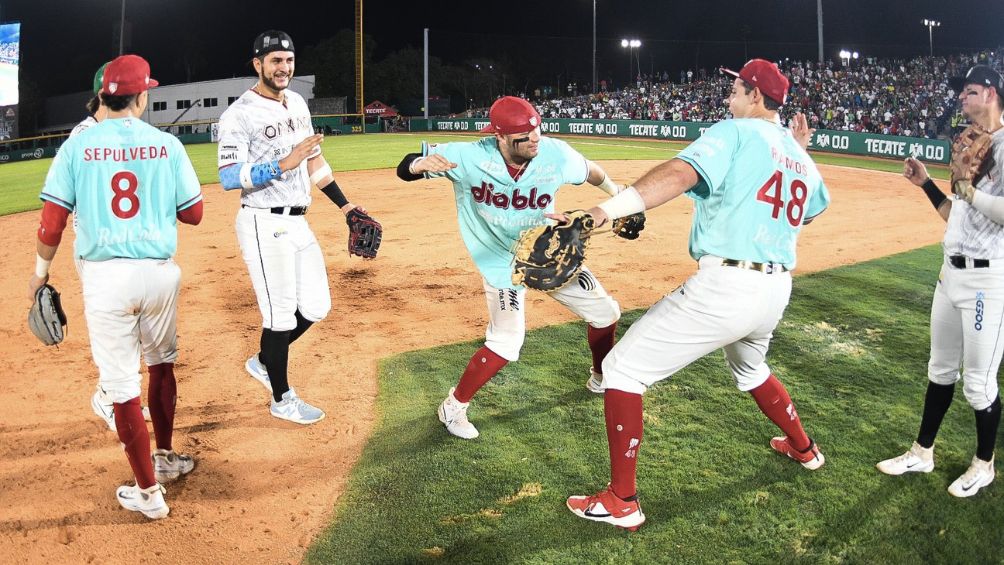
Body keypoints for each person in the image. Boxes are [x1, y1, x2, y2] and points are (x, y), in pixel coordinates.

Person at [563, 59, 829, 530]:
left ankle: (622, 500)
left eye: (737, 89)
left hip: (728, 285)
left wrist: (607, 210)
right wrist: (796, 152)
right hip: (775, 288)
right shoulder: (799, 154)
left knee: (622, 369)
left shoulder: (736, 131)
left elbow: (678, 174)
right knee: (751, 369)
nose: (729, 97)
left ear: (756, 98)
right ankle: (805, 450)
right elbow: (806, 214)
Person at [30, 54, 203, 519]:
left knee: (122, 389)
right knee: (161, 365)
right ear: (142, 96)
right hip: (159, 271)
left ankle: (149, 495)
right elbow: (193, 213)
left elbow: (52, 223)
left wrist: (40, 275)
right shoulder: (166, 144)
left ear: (103, 96)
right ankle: (165, 459)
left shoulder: (77, 144)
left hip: (105, 275)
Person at [396, 96, 624, 439]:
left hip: (545, 250)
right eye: (524, 136)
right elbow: (406, 166)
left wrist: (616, 192)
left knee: (606, 313)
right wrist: (418, 166)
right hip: (499, 260)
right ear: (499, 136)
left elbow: (591, 171)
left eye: (537, 131)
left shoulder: (554, 153)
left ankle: (600, 376)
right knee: (506, 342)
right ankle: (453, 407)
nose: (535, 140)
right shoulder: (469, 157)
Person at [218, 30, 375, 425]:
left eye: (288, 60)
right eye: (275, 61)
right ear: (258, 65)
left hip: (298, 222)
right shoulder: (239, 114)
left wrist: (346, 206)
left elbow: (314, 162)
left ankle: (263, 360)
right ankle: (281, 397)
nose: (284, 68)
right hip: (261, 220)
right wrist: (282, 163)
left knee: (318, 307)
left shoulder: (298, 104)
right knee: (280, 315)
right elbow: (229, 176)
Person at [877, 64, 1004, 498]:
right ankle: (922, 452)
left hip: (988, 281)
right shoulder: (970, 144)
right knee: (939, 370)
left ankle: (984, 464)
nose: (961, 100)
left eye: (968, 92)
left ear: (990, 93)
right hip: (950, 274)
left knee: (978, 384)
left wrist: (969, 191)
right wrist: (928, 185)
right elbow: (957, 216)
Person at [72, 60, 154, 431]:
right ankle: (109, 396)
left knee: (135, 324)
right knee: (117, 327)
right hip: (101, 250)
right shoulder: (84, 136)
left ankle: (119, 394)